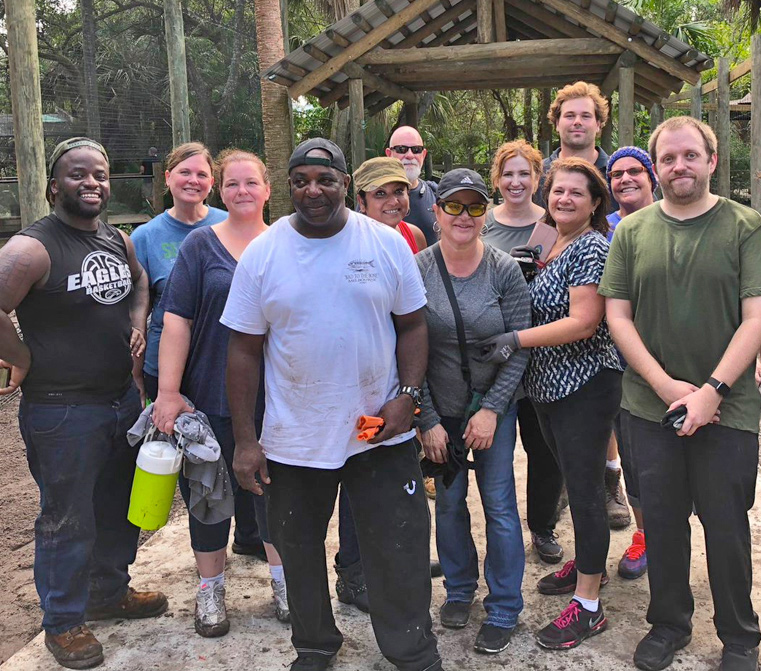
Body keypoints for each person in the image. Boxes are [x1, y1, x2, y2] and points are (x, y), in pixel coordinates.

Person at [221, 138, 442, 671]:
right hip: (295, 435)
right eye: (301, 180)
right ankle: (316, 644)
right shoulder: (264, 254)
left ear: (346, 183)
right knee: (297, 547)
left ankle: (410, 648)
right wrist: (247, 440)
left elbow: (413, 325)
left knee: (398, 545)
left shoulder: (385, 244)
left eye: (325, 179)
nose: (313, 190)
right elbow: (243, 350)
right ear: (289, 185)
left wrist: (407, 399)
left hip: (377, 431)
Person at [600, 116, 761, 671]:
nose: (679, 166)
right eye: (667, 158)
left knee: (727, 526)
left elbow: (756, 316)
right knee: (663, 523)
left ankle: (740, 636)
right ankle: (668, 624)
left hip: (730, 408)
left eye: (690, 156)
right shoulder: (631, 231)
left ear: (712, 161)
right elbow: (617, 315)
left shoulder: (746, 225)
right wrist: (667, 386)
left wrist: (712, 391)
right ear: (656, 167)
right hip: (649, 407)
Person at [0, 137, 167, 670]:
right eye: (78, 174)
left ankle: (109, 591)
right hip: (61, 409)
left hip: (120, 401)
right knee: (67, 520)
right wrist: (20, 356)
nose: (92, 182)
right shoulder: (33, 248)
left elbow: (139, 284)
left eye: (99, 173)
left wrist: (137, 324)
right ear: (55, 186)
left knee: (117, 510)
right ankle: (65, 621)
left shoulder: (118, 239)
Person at [478, 157, 623, 650]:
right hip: (549, 389)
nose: (564, 199)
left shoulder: (591, 248)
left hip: (584, 386)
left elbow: (584, 321)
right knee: (573, 484)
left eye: (576, 194)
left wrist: (516, 339)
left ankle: (588, 605)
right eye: (558, 191)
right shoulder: (548, 239)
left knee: (584, 494)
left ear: (595, 203)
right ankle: (587, 567)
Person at [150, 150, 289, 637]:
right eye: (232, 184)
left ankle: (284, 583)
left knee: (278, 498)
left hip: (280, 401)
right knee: (208, 497)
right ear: (220, 190)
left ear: (268, 189)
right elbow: (176, 322)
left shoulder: (289, 244)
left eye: (251, 182)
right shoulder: (199, 247)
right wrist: (168, 391)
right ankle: (210, 590)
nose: (242, 191)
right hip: (210, 397)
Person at [131, 143, 265, 559]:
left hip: (259, 378)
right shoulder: (149, 237)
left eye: (202, 174)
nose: (193, 181)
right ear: (167, 178)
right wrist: (155, 385)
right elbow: (152, 308)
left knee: (255, 465)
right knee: (205, 468)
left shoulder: (266, 237)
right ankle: (210, 566)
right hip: (183, 369)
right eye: (184, 173)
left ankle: (252, 539)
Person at [417, 168, 531, 654]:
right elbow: (405, 345)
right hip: (440, 409)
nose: (464, 216)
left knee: (501, 504)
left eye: (475, 206)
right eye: (454, 206)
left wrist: (492, 410)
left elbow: (522, 345)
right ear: (437, 210)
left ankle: (504, 605)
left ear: (486, 212)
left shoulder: (503, 268)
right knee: (448, 501)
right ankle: (460, 588)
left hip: (492, 407)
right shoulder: (419, 267)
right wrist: (424, 418)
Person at [330, 157, 431, 614]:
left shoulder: (413, 238)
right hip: (361, 384)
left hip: (400, 380)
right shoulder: (346, 242)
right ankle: (352, 573)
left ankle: (389, 560)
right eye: (381, 194)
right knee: (358, 475)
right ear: (361, 199)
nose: (393, 201)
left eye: (399, 191)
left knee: (393, 477)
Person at [483, 139, 565, 565]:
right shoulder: (482, 225)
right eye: (508, 174)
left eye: (525, 174)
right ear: (497, 180)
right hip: (494, 352)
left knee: (543, 448)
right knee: (494, 450)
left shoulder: (552, 224)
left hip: (542, 351)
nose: (516, 182)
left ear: (538, 178)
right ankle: (500, 531)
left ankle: (543, 526)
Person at [604, 146, 658, 581]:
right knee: (638, 460)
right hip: (623, 367)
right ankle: (646, 537)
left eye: (634, 171)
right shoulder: (602, 229)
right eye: (616, 173)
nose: (625, 179)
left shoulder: (678, 218)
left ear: (651, 176)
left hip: (689, 361)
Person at [535, 81, 619, 216]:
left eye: (586, 116)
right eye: (570, 116)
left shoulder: (618, 174)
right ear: (557, 123)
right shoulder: (537, 174)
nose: (577, 122)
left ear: (598, 124)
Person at [386, 125, 438, 245]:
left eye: (416, 150)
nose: (410, 155)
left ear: (423, 155)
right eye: (401, 149)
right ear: (389, 154)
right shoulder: (371, 199)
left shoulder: (437, 194)